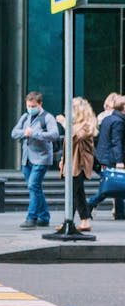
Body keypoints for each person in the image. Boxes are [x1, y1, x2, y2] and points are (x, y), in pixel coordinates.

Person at [10, 91, 59, 229]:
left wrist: (35, 134)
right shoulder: (25, 117)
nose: (30, 108)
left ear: (40, 104)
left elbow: (55, 134)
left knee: (33, 185)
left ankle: (31, 218)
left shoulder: (47, 117)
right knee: (35, 188)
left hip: (42, 158)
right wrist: (24, 133)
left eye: (33, 105)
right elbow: (14, 133)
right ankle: (44, 217)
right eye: (28, 105)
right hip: (27, 158)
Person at [56, 97, 98, 232]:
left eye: (71, 109)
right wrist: (63, 161)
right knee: (79, 193)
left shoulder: (86, 125)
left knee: (72, 193)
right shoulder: (77, 125)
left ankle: (68, 222)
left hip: (79, 165)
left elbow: (75, 136)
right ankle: (85, 221)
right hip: (72, 164)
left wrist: (64, 123)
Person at [88, 95, 125, 220]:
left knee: (116, 184)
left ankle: (120, 211)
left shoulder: (108, 119)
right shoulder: (119, 122)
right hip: (112, 159)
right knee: (110, 186)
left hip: (104, 157)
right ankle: (90, 203)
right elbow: (117, 142)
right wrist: (119, 161)